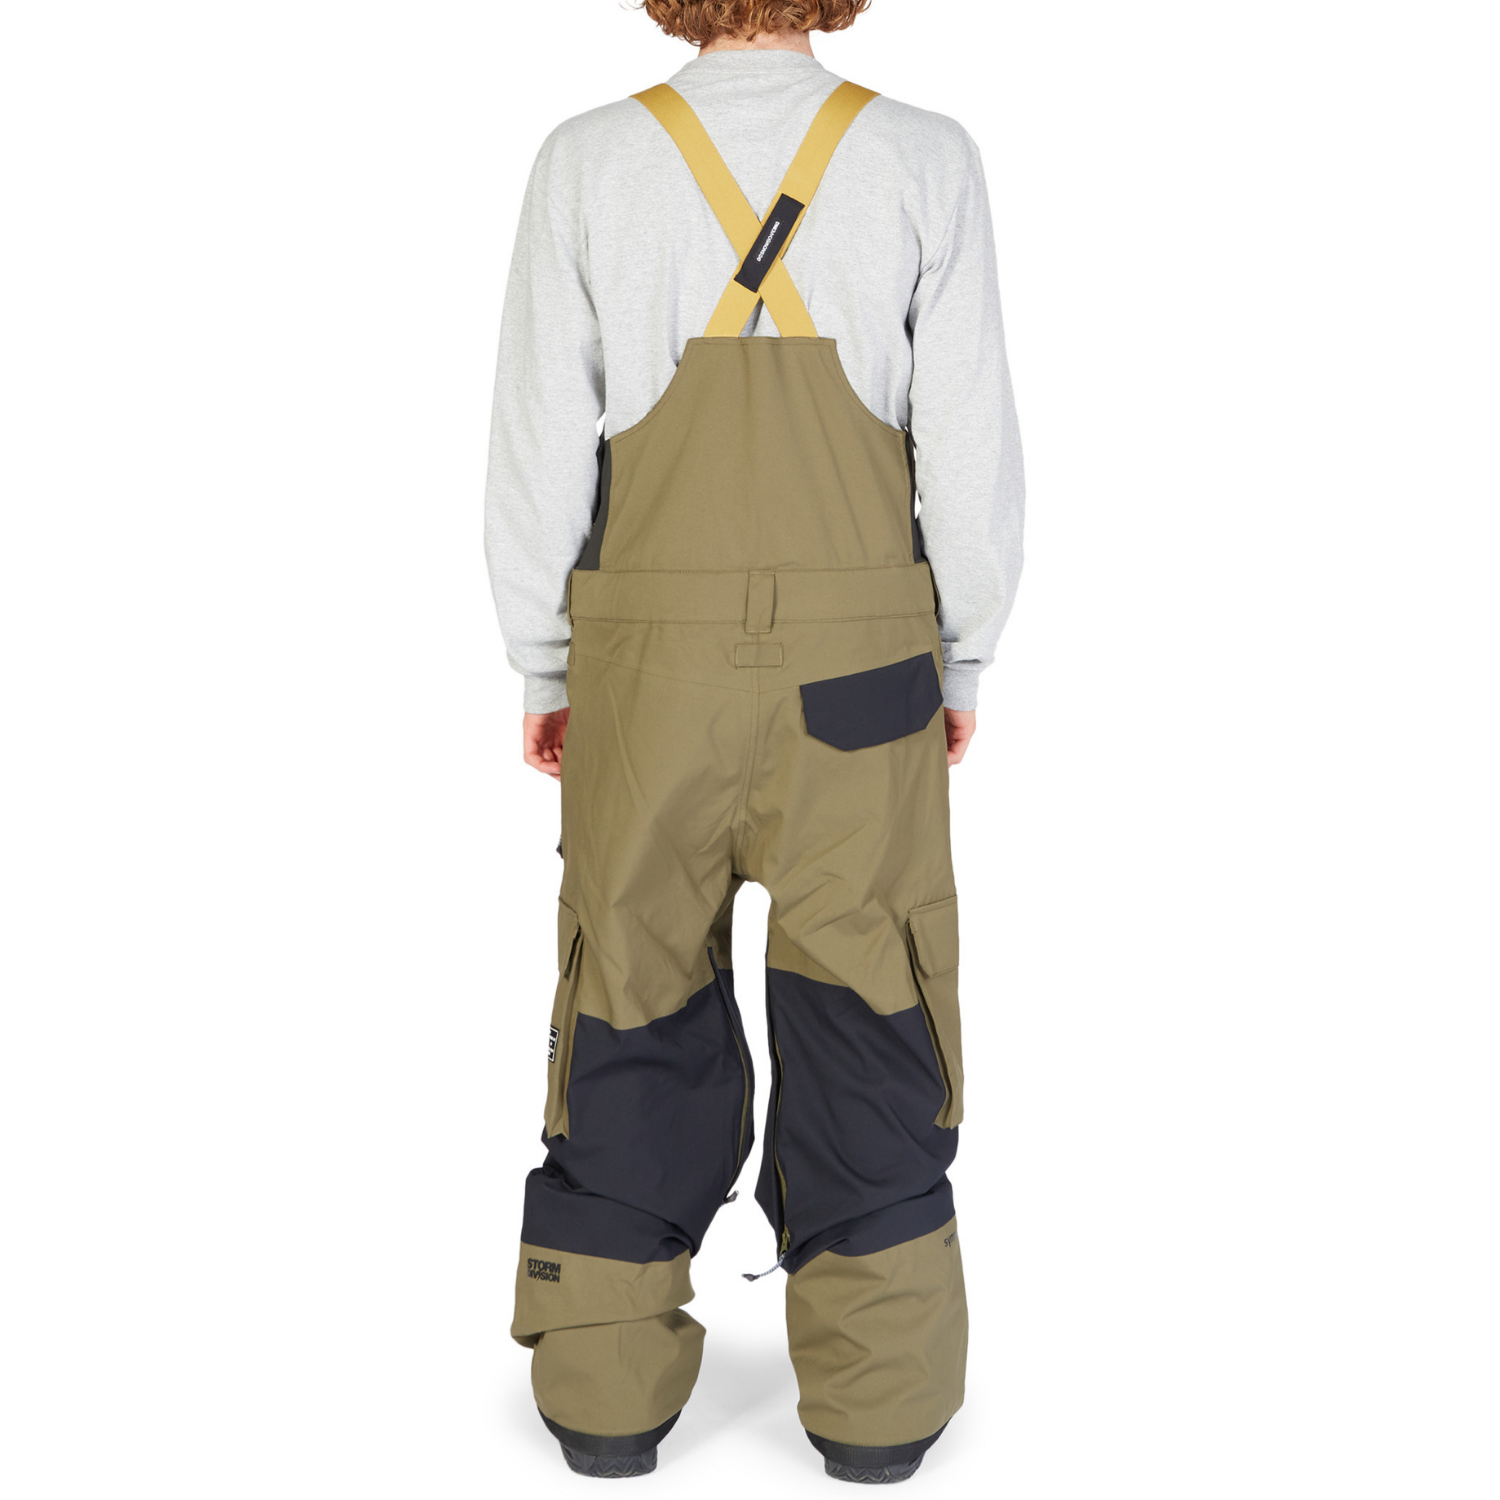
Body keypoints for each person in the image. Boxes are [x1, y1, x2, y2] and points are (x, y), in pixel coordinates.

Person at [483, 0, 1023, 1482]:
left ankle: (603, 1397)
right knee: (872, 1003)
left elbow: (538, 441)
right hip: (865, 672)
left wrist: (545, 660)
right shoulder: (924, 157)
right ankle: (880, 1409)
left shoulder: (588, 160)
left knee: (629, 990)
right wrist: (962, 647)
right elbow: (968, 438)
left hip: (644, 673)